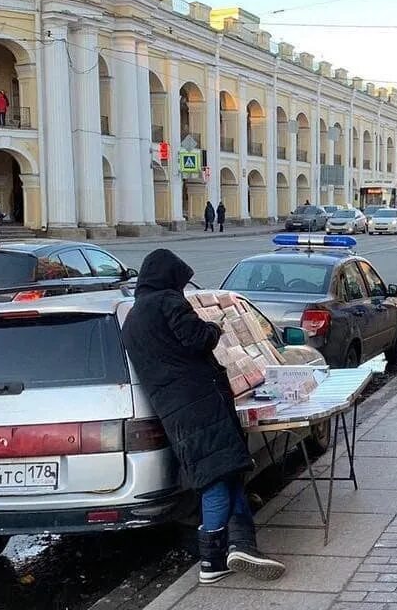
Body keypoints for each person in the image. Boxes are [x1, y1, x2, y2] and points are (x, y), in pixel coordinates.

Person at [121, 249, 285, 584]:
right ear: (169, 278)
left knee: (227, 471)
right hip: (200, 402)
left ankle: (240, 546)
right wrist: (213, 327)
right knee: (215, 477)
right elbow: (196, 339)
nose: (181, 290)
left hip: (173, 409)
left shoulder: (133, 318)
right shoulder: (168, 302)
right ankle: (211, 559)